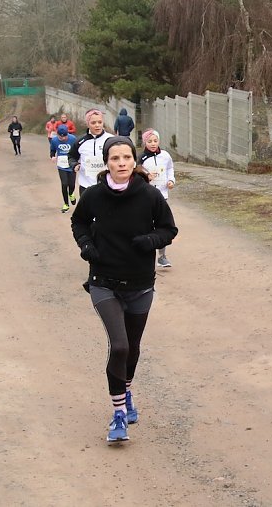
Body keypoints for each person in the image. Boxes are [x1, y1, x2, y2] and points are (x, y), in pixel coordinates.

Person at [71, 136, 178, 443]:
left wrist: (151, 241)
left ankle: (126, 390)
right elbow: (78, 223)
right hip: (104, 282)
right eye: (115, 159)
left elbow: (168, 229)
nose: (121, 164)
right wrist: (87, 246)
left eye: (126, 158)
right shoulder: (93, 195)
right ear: (107, 163)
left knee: (131, 347)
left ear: (135, 161)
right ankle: (118, 414)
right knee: (118, 346)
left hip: (141, 284)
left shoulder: (149, 195)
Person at [139, 129, 176, 268]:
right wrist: (146, 177)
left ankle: (162, 256)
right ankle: (144, 253)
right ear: (145, 142)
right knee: (147, 225)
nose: (153, 144)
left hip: (162, 196)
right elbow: (136, 174)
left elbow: (170, 169)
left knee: (162, 224)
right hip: (146, 196)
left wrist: (171, 180)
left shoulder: (165, 155)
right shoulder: (141, 158)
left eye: (155, 141)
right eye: (150, 141)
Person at [68, 109, 114, 195]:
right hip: (86, 185)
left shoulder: (111, 139)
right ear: (87, 124)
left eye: (100, 122)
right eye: (93, 123)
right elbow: (71, 156)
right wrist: (74, 164)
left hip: (107, 185)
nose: (97, 125)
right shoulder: (80, 141)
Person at [50, 125, 78, 212]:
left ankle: (71, 194)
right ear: (57, 134)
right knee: (64, 184)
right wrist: (52, 156)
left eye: (64, 136)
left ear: (67, 134)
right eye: (60, 136)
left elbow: (78, 150)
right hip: (61, 165)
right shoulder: (54, 140)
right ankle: (66, 204)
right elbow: (52, 150)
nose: (62, 138)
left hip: (71, 164)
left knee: (72, 184)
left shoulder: (73, 139)